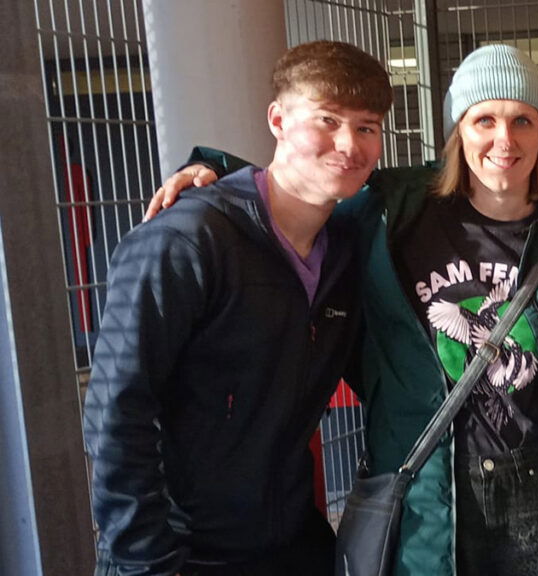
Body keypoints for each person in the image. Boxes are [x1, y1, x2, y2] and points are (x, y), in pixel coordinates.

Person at [148, 44, 538, 576]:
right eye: (483, 119)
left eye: (523, 120)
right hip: (430, 496)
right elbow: (299, 193)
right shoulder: (393, 212)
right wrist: (214, 169)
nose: (503, 140)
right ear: (457, 132)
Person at [82, 41, 392, 576]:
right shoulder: (185, 242)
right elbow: (116, 416)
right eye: (327, 119)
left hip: (290, 543)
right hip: (181, 554)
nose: (348, 143)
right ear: (277, 118)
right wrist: (148, 562)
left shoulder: (343, 252)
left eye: (366, 127)